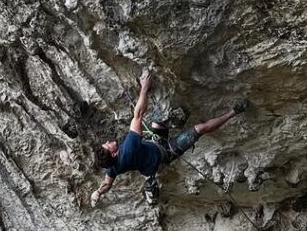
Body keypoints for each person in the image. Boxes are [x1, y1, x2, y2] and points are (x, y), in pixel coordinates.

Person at [90, 69, 248, 206]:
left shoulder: (113, 167)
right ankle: (234, 111)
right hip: (166, 152)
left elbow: (107, 184)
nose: (107, 142)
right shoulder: (130, 147)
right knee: (200, 128)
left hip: (153, 144)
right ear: (113, 154)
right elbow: (138, 114)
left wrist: (98, 192)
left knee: (161, 114)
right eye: (107, 145)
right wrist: (144, 88)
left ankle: (177, 118)